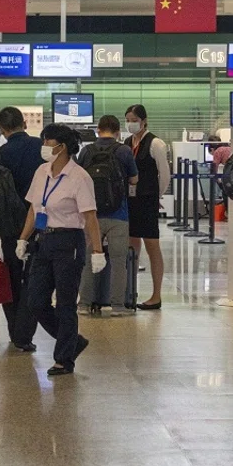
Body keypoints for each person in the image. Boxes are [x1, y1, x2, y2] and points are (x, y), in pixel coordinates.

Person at [16, 123, 104, 376]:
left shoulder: (79, 177)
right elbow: (34, 209)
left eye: (48, 141)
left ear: (62, 147)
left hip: (69, 242)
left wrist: (97, 251)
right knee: (35, 301)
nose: (44, 146)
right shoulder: (42, 171)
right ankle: (72, 340)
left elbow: (90, 217)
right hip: (43, 241)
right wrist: (24, 238)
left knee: (66, 303)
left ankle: (64, 359)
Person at [76, 115, 138, 317]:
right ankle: (118, 306)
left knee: (88, 259)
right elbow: (134, 179)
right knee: (119, 261)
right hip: (118, 215)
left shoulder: (86, 151)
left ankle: (84, 304)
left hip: (90, 214)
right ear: (118, 131)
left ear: (98, 130)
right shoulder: (124, 151)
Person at [0, 106, 43, 352]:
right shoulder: (39, 147)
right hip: (37, 222)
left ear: (2, 129)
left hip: (8, 224)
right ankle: (25, 333)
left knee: (11, 275)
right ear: (24, 122)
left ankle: (15, 330)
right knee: (33, 277)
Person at [124, 105, 171, 310]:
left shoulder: (156, 143)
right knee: (131, 247)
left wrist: (156, 195)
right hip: (129, 201)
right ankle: (129, 291)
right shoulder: (126, 143)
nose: (130, 123)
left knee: (152, 247)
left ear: (144, 120)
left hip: (147, 200)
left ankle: (156, 295)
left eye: (134, 119)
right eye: (127, 119)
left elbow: (165, 174)